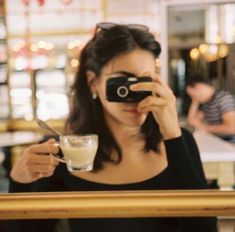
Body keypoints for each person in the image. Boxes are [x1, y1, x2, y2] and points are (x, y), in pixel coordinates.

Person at [8, 23, 217, 232]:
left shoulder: (180, 142)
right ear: (93, 82)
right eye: (121, 84)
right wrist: (20, 182)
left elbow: (204, 228)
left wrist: (173, 134)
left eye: (144, 81)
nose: (134, 96)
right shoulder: (64, 152)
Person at [186, 74, 235, 143]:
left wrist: (205, 128)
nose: (192, 98)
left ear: (199, 87)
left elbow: (232, 128)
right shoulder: (206, 103)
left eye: (192, 95)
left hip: (230, 146)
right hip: (219, 142)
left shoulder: (223, 98)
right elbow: (192, 122)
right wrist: (195, 101)